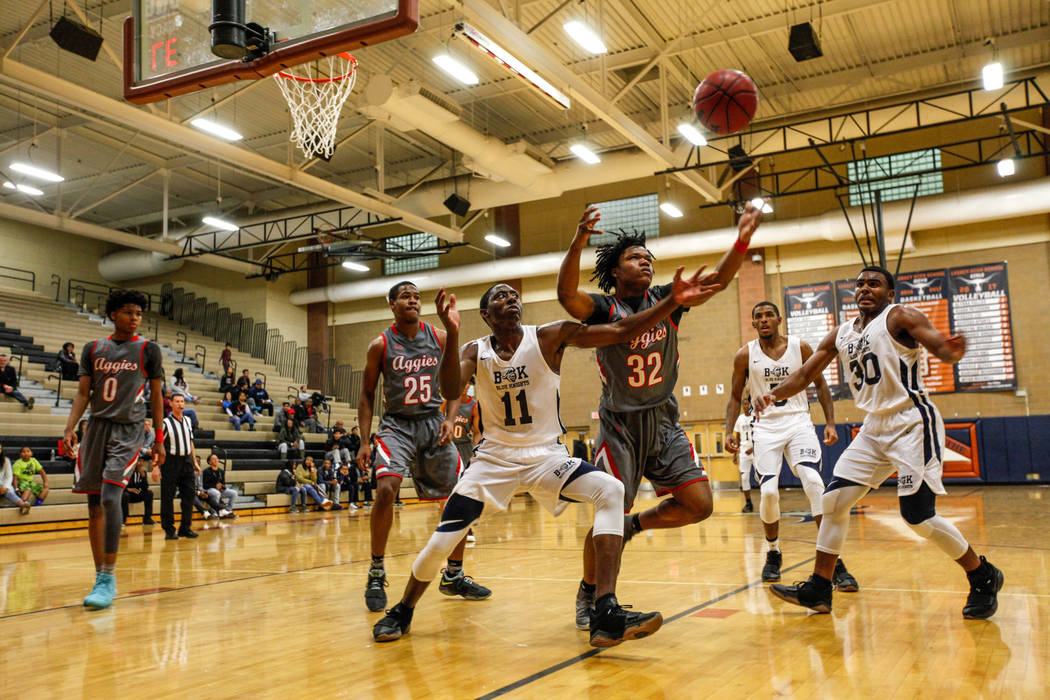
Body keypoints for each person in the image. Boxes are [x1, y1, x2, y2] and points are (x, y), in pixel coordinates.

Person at [372, 271, 717, 645]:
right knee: (440, 544)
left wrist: (672, 302)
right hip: (493, 462)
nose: (511, 298)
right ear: (487, 314)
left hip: (546, 458)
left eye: (513, 294)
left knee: (612, 491)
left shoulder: (550, 335)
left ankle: (605, 611)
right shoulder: (474, 349)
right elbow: (450, 389)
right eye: (500, 296)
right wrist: (452, 332)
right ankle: (403, 609)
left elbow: (620, 332)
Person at [555, 203, 761, 630]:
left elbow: (719, 281)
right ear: (615, 271)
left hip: (664, 420)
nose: (646, 262)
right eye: (636, 257)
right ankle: (592, 593)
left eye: (649, 258)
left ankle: (635, 526)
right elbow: (566, 297)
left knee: (699, 504)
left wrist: (741, 239)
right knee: (607, 508)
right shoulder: (604, 310)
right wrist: (578, 242)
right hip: (620, 426)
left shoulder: (669, 298)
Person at [756, 266, 1003, 619]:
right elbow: (805, 374)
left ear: (889, 293)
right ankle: (820, 587)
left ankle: (982, 575)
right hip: (873, 428)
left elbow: (938, 346)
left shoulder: (901, 315)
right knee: (832, 501)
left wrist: (951, 352)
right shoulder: (841, 333)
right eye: (859, 284)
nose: (865, 289)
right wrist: (772, 395)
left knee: (917, 517)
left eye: (874, 284)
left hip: (911, 422)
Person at [356, 281, 487, 613]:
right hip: (396, 424)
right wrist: (363, 440)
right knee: (386, 489)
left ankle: (453, 575)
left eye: (416, 296)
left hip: (432, 422)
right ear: (392, 305)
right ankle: (376, 570)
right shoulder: (380, 345)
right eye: (405, 296)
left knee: (464, 495)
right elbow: (367, 394)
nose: (412, 300)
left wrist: (450, 416)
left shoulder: (439, 337)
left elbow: (456, 384)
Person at [724, 301, 857, 589]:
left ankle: (834, 561)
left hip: (798, 421)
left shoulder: (801, 347)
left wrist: (831, 422)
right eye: (758, 316)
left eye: (769, 314)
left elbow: (821, 385)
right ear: (753, 323)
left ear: (779, 319)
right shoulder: (745, 354)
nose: (764, 319)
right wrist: (730, 431)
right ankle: (773, 553)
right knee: (769, 492)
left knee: (813, 481)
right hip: (766, 427)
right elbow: (735, 397)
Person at [63, 289, 166, 609]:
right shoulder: (93, 349)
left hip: (129, 429)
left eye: (139, 313)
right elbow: (83, 393)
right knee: (94, 504)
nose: (135, 318)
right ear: (113, 315)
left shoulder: (149, 350)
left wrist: (159, 437)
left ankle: (109, 578)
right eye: (128, 312)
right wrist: (70, 426)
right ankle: (100, 577)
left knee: (110, 496)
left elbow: (157, 397)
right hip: (96, 428)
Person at [161, 393, 198, 540]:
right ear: (171, 404)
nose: (180, 404)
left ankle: (185, 528)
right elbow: (158, 445)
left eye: (182, 401)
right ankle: (169, 530)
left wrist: (194, 461)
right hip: (170, 462)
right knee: (167, 497)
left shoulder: (188, 421)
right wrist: (156, 467)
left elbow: (190, 442)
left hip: (187, 461)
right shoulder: (165, 423)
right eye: (177, 401)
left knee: (189, 496)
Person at [731, 398, 755, 513]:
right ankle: (748, 503)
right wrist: (735, 454)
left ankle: (768, 499)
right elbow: (737, 438)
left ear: (750, 404)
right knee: (744, 478)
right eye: (744, 404)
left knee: (761, 476)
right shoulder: (739, 419)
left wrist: (754, 448)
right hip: (744, 452)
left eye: (747, 403)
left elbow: (762, 435)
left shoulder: (755, 417)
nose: (746, 406)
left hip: (756, 451)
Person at [202, 454, 237, 518]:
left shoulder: (221, 471)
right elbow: (204, 485)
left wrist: (223, 487)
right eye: (213, 459)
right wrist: (215, 486)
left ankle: (228, 510)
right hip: (210, 490)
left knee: (234, 493)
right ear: (209, 462)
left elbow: (223, 483)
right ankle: (216, 512)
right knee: (216, 493)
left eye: (217, 458)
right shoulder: (206, 471)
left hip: (219, 490)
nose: (216, 460)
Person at [0, 445, 32, 514]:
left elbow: (9, 476)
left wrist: (5, 487)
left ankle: (22, 505)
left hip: (4, 484)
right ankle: (22, 504)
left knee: (9, 491)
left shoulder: (5, 460)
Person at [121, 460, 155, 525]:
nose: (140, 463)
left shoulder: (143, 472)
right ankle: (123, 519)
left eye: (142, 461)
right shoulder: (127, 471)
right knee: (125, 495)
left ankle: (147, 519)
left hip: (136, 493)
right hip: (127, 493)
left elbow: (145, 488)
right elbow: (121, 485)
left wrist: (143, 477)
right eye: (139, 461)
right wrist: (128, 489)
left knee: (149, 493)